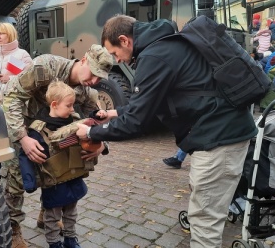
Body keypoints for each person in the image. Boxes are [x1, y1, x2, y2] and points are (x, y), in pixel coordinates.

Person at [75, 15, 257, 247]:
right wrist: (113, 113)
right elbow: (150, 103)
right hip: (221, 133)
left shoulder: (154, 56)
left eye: (113, 53)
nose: (116, 60)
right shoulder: (165, 45)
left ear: (124, 40)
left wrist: (90, 134)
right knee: (204, 207)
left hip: (219, 139)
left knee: (205, 222)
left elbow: (136, 122)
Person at [1, 44, 112, 248]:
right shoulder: (45, 67)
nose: (94, 81)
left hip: (56, 139)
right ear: (84, 60)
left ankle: (47, 215)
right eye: (94, 73)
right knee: (15, 179)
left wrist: (101, 145)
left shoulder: (87, 93)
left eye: (100, 78)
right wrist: (23, 138)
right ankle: (13, 228)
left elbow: (94, 122)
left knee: (58, 174)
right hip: (25, 128)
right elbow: (11, 97)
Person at [19, 81, 106, 248]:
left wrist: (98, 123)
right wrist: (29, 182)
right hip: (53, 181)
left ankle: (70, 238)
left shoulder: (73, 120)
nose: (73, 109)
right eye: (69, 105)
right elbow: (25, 155)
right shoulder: (38, 129)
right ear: (54, 104)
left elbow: (91, 133)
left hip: (73, 176)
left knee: (71, 212)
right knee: (52, 216)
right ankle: (53, 243)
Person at [0, 22, 32, 181]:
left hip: (15, 107)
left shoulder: (21, 55)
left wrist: (8, 78)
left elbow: (31, 81)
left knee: (16, 139)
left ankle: (19, 171)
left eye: (2, 33)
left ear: (10, 34)